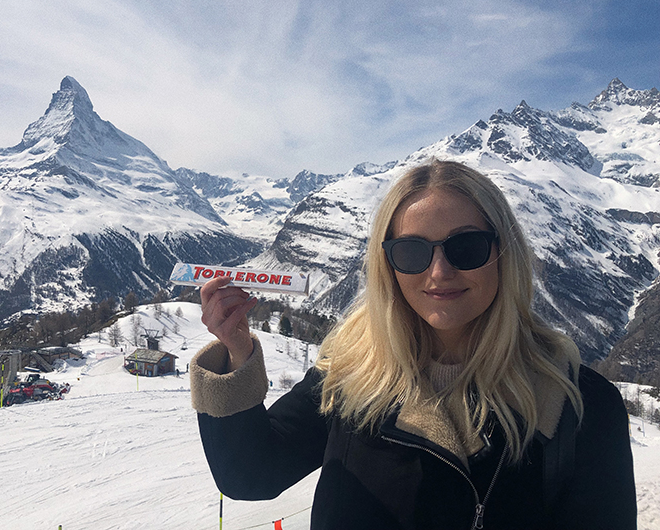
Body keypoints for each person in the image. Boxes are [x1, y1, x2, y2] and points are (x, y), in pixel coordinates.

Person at [190, 159, 637, 529]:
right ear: (388, 265)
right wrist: (236, 351)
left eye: (466, 247)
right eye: (411, 252)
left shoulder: (578, 405)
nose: (438, 272)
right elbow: (250, 474)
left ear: (505, 253)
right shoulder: (352, 371)